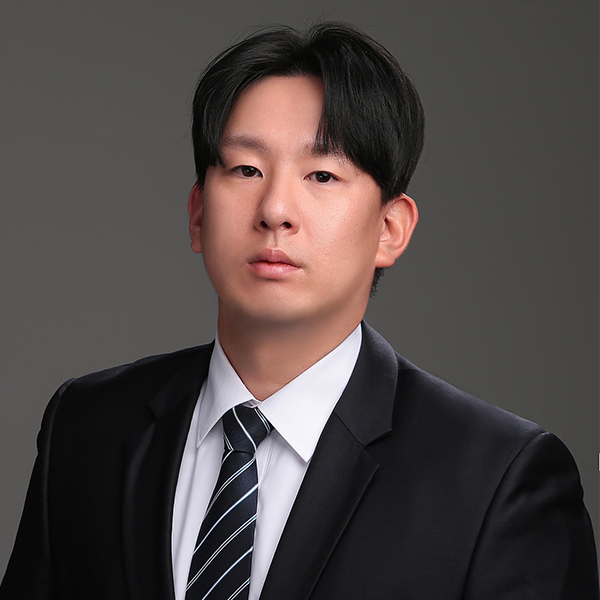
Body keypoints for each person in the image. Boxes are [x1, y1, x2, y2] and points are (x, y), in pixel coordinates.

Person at [1, 22, 597, 600]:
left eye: (322, 175)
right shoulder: (87, 427)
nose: (275, 209)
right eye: (246, 169)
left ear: (390, 229)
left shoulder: (497, 478)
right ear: (198, 214)